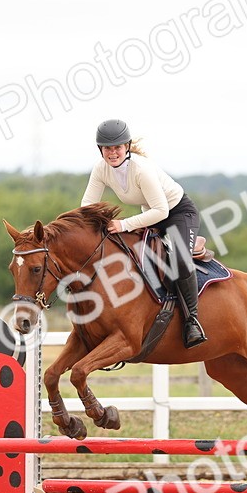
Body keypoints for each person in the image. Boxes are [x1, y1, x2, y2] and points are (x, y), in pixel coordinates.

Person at [81, 119, 207, 348]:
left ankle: (192, 321)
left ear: (126, 147)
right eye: (107, 148)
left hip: (177, 213)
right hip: (151, 214)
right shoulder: (100, 169)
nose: (112, 153)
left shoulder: (141, 169)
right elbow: (87, 207)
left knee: (178, 260)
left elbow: (162, 210)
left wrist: (123, 224)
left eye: (117, 147)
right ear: (100, 150)